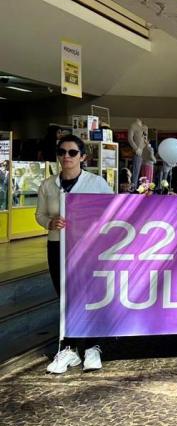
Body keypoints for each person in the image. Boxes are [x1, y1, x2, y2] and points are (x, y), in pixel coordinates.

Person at [37, 135, 113, 374]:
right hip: (58, 246)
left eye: (72, 152)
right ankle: (69, 349)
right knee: (65, 297)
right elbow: (39, 214)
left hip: (87, 248)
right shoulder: (48, 185)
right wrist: (49, 223)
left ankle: (92, 346)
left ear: (82, 157)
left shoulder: (96, 183)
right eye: (61, 152)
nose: (66, 157)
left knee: (89, 296)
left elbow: (112, 211)